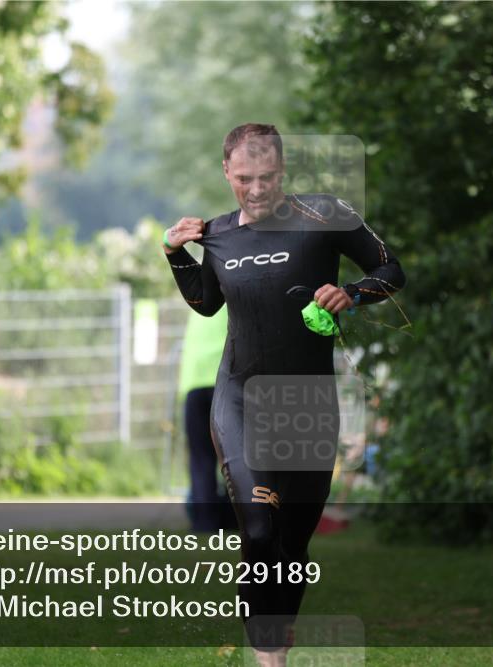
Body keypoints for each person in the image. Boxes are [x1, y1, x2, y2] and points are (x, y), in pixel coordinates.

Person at [161, 123, 406, 667]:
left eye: (266, 178)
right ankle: (268, 656)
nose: (255, 189)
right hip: (240, 398)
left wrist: (352, 293)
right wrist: (174, 252)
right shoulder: (219, 234)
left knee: (292, 542)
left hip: (308, 404)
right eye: (244, 178)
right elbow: (205, 302)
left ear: (283, 170)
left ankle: (279, 627)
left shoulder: (325, 215)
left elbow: (392, 270)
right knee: (258, 524)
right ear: (226, 172)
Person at [178, 307, 237, 533]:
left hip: (194, 383)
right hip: (226, 381)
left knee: (201, 459)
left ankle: (204, 524)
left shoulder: (198, 305)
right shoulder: (234, 296)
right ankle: (246, 519)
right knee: (236, 456)